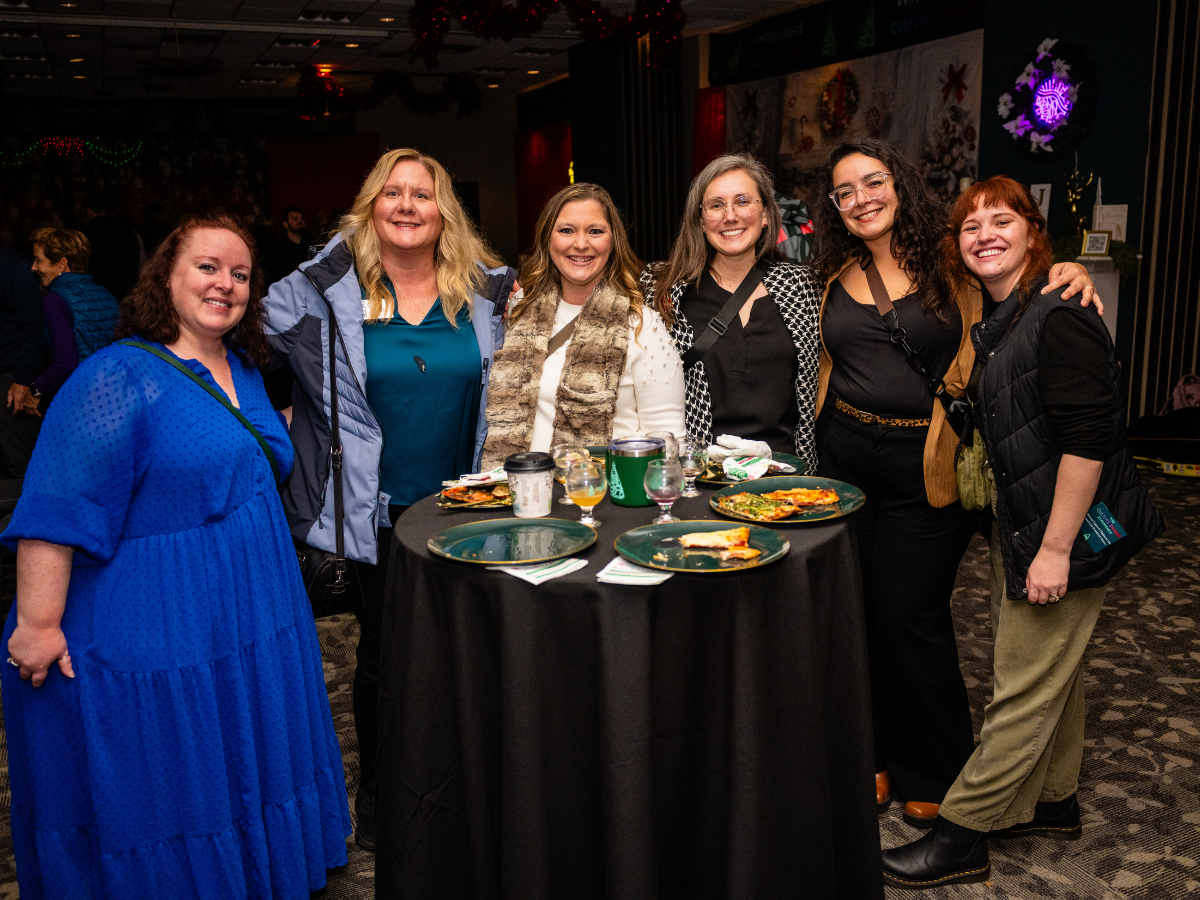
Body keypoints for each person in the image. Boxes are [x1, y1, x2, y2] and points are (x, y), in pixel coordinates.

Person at [1, 213, 351, 897]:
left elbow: (232, 449)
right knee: (174, 772)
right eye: (207, 267)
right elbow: (57, 506)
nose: (225, 284)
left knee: (236, 759)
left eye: (240, 274)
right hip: (158, 614)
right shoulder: (116, 376)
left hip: (250, 605)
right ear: (166, 276)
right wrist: (38, 625)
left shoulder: (245, 367)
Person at [881, 176, 1163, 888]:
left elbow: (1087, 441)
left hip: (1064, 531)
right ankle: (1053, 799)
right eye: (970, 227)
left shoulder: (1059, 311)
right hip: (1032, 524)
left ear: (1034, 234)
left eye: (1000, 221)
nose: (984, 236)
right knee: (1055, 675)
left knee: (1021, 686)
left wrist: (1056, 550)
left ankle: (963, 833)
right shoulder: (1007, 313)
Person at [811, 139, 1100, 827]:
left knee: (911, 617)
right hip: (845, 463)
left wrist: (1068, 268)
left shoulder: (955, 264)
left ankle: (938, 767)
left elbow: (1020, 283)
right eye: (844, 191)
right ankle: (874, 752)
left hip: (928, 463)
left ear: (899, 184)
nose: (860, 198)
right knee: (859, 616)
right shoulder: (831, 274)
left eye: (872, 181)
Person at [265, 148, 516, 853]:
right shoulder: (329, 290)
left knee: (473, 650)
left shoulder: (491, 292)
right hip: (375, 512)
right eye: (392, 193)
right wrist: (284, 428)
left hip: (470, 507)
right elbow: (242, 331)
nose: (407, 206)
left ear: (446, 213)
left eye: (423, 195)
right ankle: (378, 794)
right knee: (383, 658)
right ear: (370, 206)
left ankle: (470, 784)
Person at [482, 182, 684, 465]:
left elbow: (669, 441)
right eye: (566, 230)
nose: (580, 243)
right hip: (518, 494)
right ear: (547, 239)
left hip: (603, 499)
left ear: (613, 242)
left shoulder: (641, 325)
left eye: (595, 231)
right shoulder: (520, 308)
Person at [640, 153, 822, 465]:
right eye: (716, 205)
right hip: (699, 474)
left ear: (765, 213)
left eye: (742, 201)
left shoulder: (805, 288)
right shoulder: (662, 290)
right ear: (700, 220)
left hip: (784, 475)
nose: (730, 215)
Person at [27, 228, 121, 412]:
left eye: (38, 260)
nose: (33, 267)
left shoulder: (56, 299)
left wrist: (35, 389)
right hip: (114, 393)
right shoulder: (105, 294)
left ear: (62, 264)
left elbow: (66, 364)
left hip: (82, 397)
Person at [0, 242, 48, 478]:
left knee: (19, 461)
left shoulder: (14, 268)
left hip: (10, 375)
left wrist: (22, 380)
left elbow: (34, 329)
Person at [82, 192, 140, 301]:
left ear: (89, 211)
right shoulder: (128, 233)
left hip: (97, 299)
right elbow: (140, 265)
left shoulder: (85, 237)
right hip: (127, 297)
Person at [264, 206, 311, 287]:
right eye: (295, 219)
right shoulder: (275, 249)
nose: (299, 221)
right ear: (285, 224)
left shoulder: (310, 245)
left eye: (302, 219)